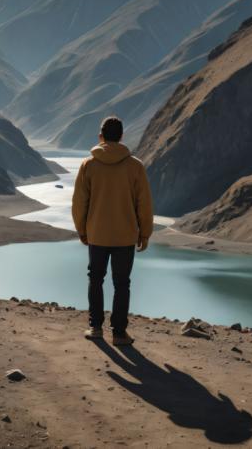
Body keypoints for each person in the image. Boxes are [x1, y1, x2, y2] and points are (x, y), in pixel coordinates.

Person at [71, 116, 154, 345]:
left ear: (101, 136)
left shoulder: (88, 165)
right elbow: (144, 203)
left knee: (95, 279)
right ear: (121, 136)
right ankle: (119, 333)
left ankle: (95, 328)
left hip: (97, 234)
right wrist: (145, 232)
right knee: (122, 284)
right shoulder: (135, 166)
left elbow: (80, 202)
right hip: (125, 236)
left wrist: (82, 229)